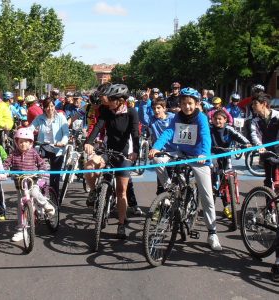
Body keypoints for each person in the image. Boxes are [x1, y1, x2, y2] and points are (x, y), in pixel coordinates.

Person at [149, 87, 222, 251]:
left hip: (199, 158)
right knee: (158, 159)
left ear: (196, 104)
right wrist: (156, 147)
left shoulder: (201, 118)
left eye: (190, 103)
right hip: (181, 153)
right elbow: (168, 132)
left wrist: (204, 154)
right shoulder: (177, 117)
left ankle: (212, 232)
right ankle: (169, 189)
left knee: (207, 196)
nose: (187, 107)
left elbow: (205, 136)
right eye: (183, 103)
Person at [84, 83, 139, 239]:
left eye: (112, 99)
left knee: (122, 191)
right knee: (89, 167)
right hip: (108, 151)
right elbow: (97, 127)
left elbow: (135, 133)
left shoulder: (132, 112)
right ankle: (94, 192)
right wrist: (88, 142)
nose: (107, 101)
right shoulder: (106, 111)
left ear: (120, 100)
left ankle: (121, 224)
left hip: (124, 154)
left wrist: (135, 151)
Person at [3, 127, 55, 242]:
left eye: (26, 142)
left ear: (31, 143)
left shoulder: (33, 153)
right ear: (16, 142)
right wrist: (4, 171)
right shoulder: (13, 154)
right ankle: (21, 230)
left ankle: (45, 205)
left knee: (35, 193)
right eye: (20, 142)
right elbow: (6, 164)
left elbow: (42, 164)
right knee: (20, 207)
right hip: (20, 184)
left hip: (32, 181)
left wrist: (41, 170)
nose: (23, 144)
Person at [249, 92, 279, 282]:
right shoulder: (255, 120)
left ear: (264, 104)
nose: (253, 108)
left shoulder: (276, 117)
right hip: (268, 156)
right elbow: (253, 133)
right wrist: (259, 146)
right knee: (268, 184)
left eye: (255, 105)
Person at [210, 109, 250, 219]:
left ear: (225, 120)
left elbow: (239, 136)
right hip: (212, 156)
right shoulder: (209, 129)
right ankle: (210, 206)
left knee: (227, 182)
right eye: (215, 119)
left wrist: (247, 143)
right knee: (213, 183)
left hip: (226, 157)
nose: (218, 121)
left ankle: (226, 207)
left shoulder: (229, 129)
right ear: (212, 120)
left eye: (220, 119)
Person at [29, 98, 69, 200]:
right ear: (43, 107)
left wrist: (63, 142)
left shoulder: (61, 118)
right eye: (47, 106)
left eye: (51, 106)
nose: (49, 108)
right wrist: (26, 137)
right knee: (42, 175)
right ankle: (41, 195)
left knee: (54, 177)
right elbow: (30, 129)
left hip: (57, 149)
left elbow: (66, 133)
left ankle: (55, 198)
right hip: (43, 148)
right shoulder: (39, 118)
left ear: (54, 106)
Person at [139, 97, 179, 194]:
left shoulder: (173, 118)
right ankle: (166, 194)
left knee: (178, 176)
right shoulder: (152, 120)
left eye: (158, 108)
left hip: (176, 151)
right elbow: (142, 117)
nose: (156, 111)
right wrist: (144, 103)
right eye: (154, 109)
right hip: (161, 152)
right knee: (160, 177)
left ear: (164, 108)